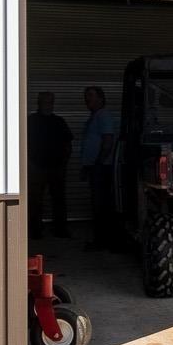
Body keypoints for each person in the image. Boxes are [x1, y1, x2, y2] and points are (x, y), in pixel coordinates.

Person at [80, 85, 122, 251]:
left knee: (101, 205)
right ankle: (102, 240)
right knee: (98, 204)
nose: (86, 99)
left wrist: (98, 163)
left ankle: (104, 241)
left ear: (101, 98)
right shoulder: (94, 117)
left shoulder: (103, 116)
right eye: (86, 96)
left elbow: (108, 141)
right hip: (95, 167)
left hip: (102, 168)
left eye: (90, 95)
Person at [26, 91, 72, 239]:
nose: (48, 104)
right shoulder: (31, 121)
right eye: (45, 102)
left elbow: (68, 143)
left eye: (51, 102)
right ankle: (35, 231)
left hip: (56, 167)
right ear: (39, 103)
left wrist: (64, 162)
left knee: (58, 199)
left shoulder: (59, 121)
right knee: (35, 200)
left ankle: (60, 229)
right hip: (36, 167)